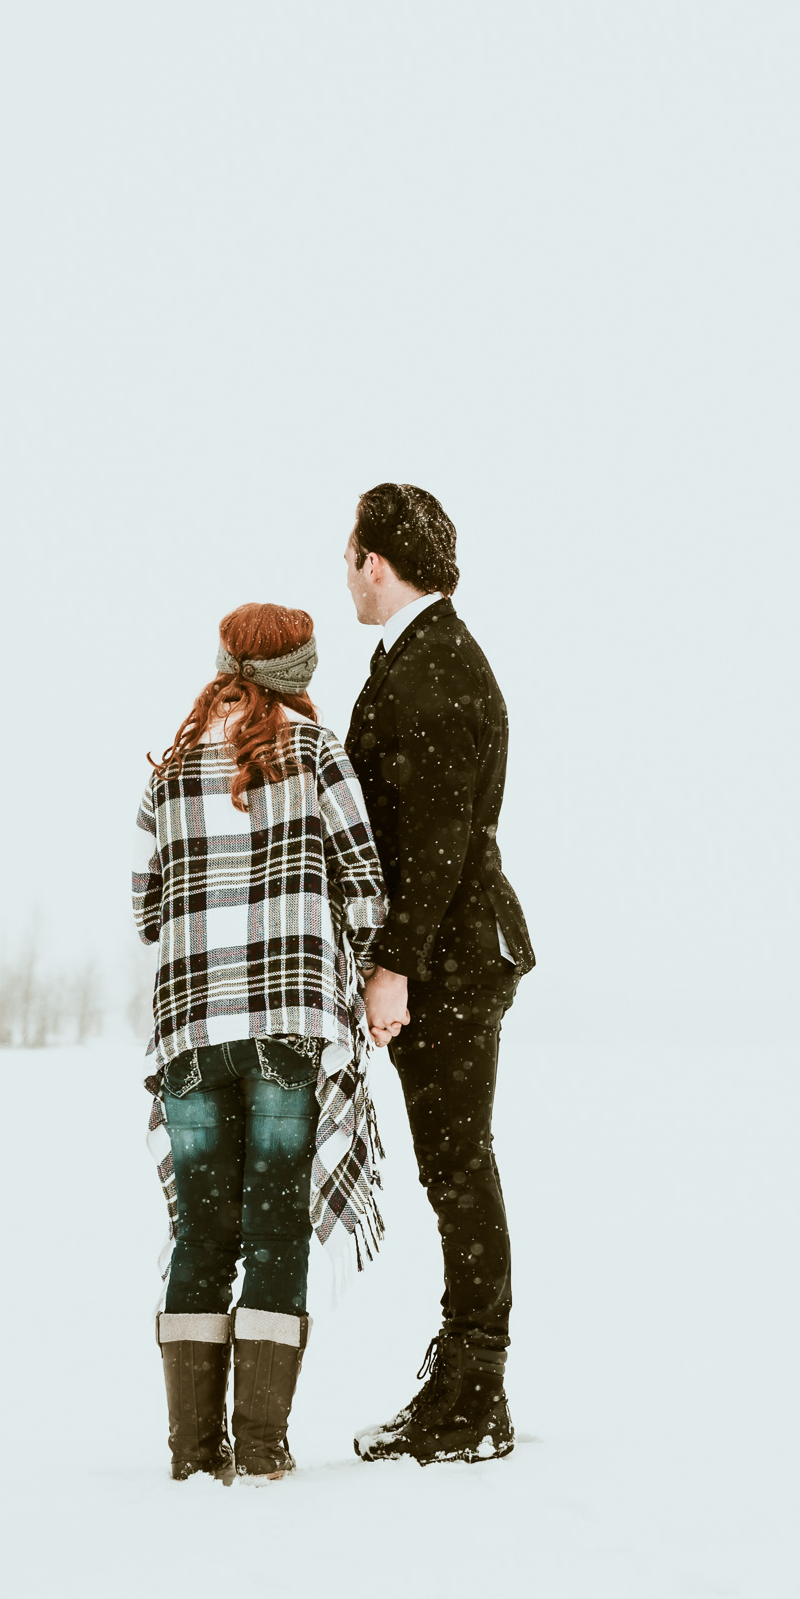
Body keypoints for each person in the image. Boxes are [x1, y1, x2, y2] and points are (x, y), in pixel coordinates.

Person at [132, 603, 387, 1483]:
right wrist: (357, 961)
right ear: (301, 671)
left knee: (201, 1234)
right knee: (275, 1227)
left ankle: (193, 1454)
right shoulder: (315, 753)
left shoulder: (170, 770)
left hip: (191, 1029)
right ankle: (264, 1445)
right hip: (288, 1022)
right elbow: (363, 882)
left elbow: (145, 906)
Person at [343, 483, 535, 1465]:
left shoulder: (437, 669)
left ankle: (471, 1400)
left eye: (348, 558)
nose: (345, 576)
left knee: (458, 1171)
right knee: (452, 1169)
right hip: (447, 956)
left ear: (375, 561)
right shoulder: (416, 656)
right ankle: (464, 1385)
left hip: (452, 960)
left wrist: (394, 967)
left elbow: (437, 843)